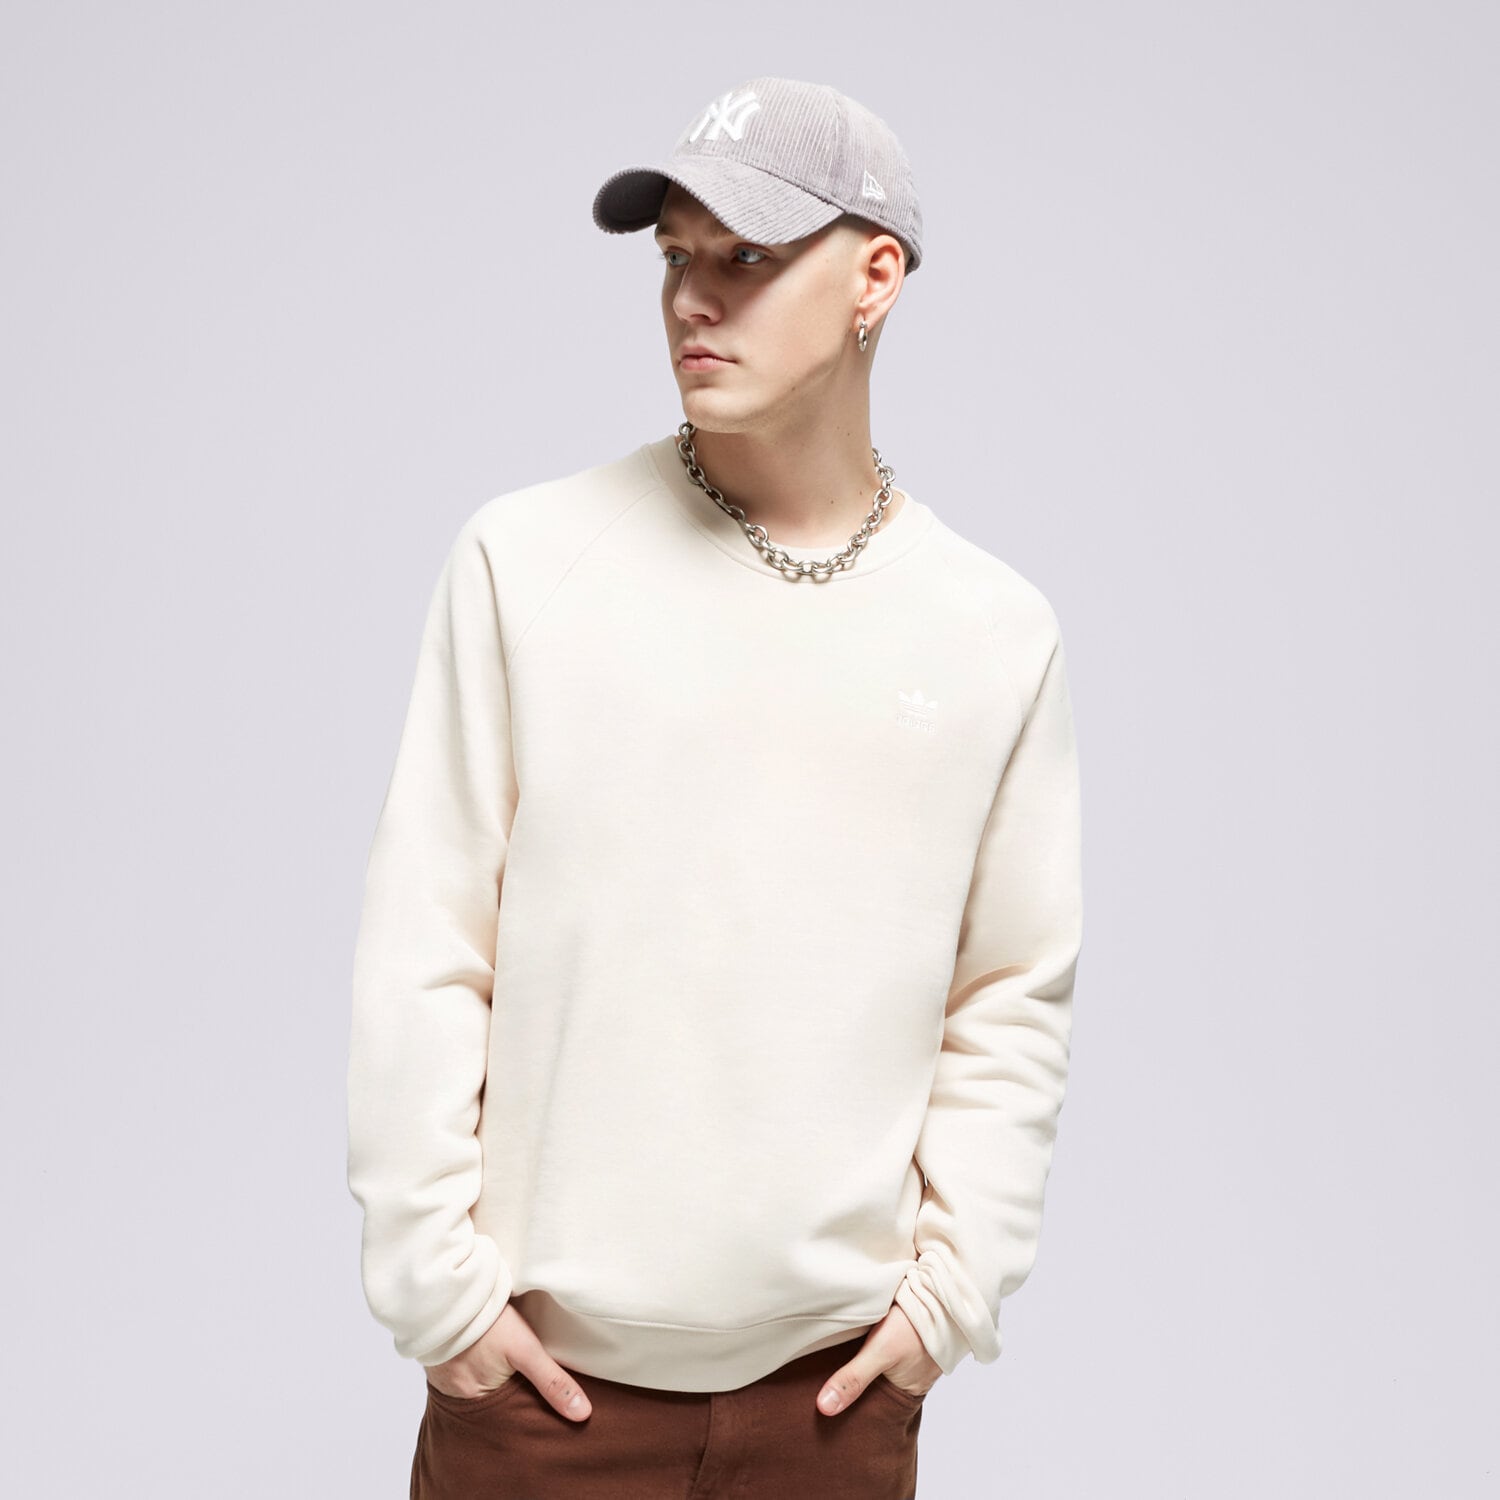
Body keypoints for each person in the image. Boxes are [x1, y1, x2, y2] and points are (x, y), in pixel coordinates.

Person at [346, 75, 1084, 1499]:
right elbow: (426, 946)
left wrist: (949, 1302)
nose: (694, 297)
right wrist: (440, 1300)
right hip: (543, 1406)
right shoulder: (527, 562)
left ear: (877, 277)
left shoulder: (993, 632)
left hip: (832, 1410)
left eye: (747, 255)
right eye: (678, 255)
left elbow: (1008, 994)